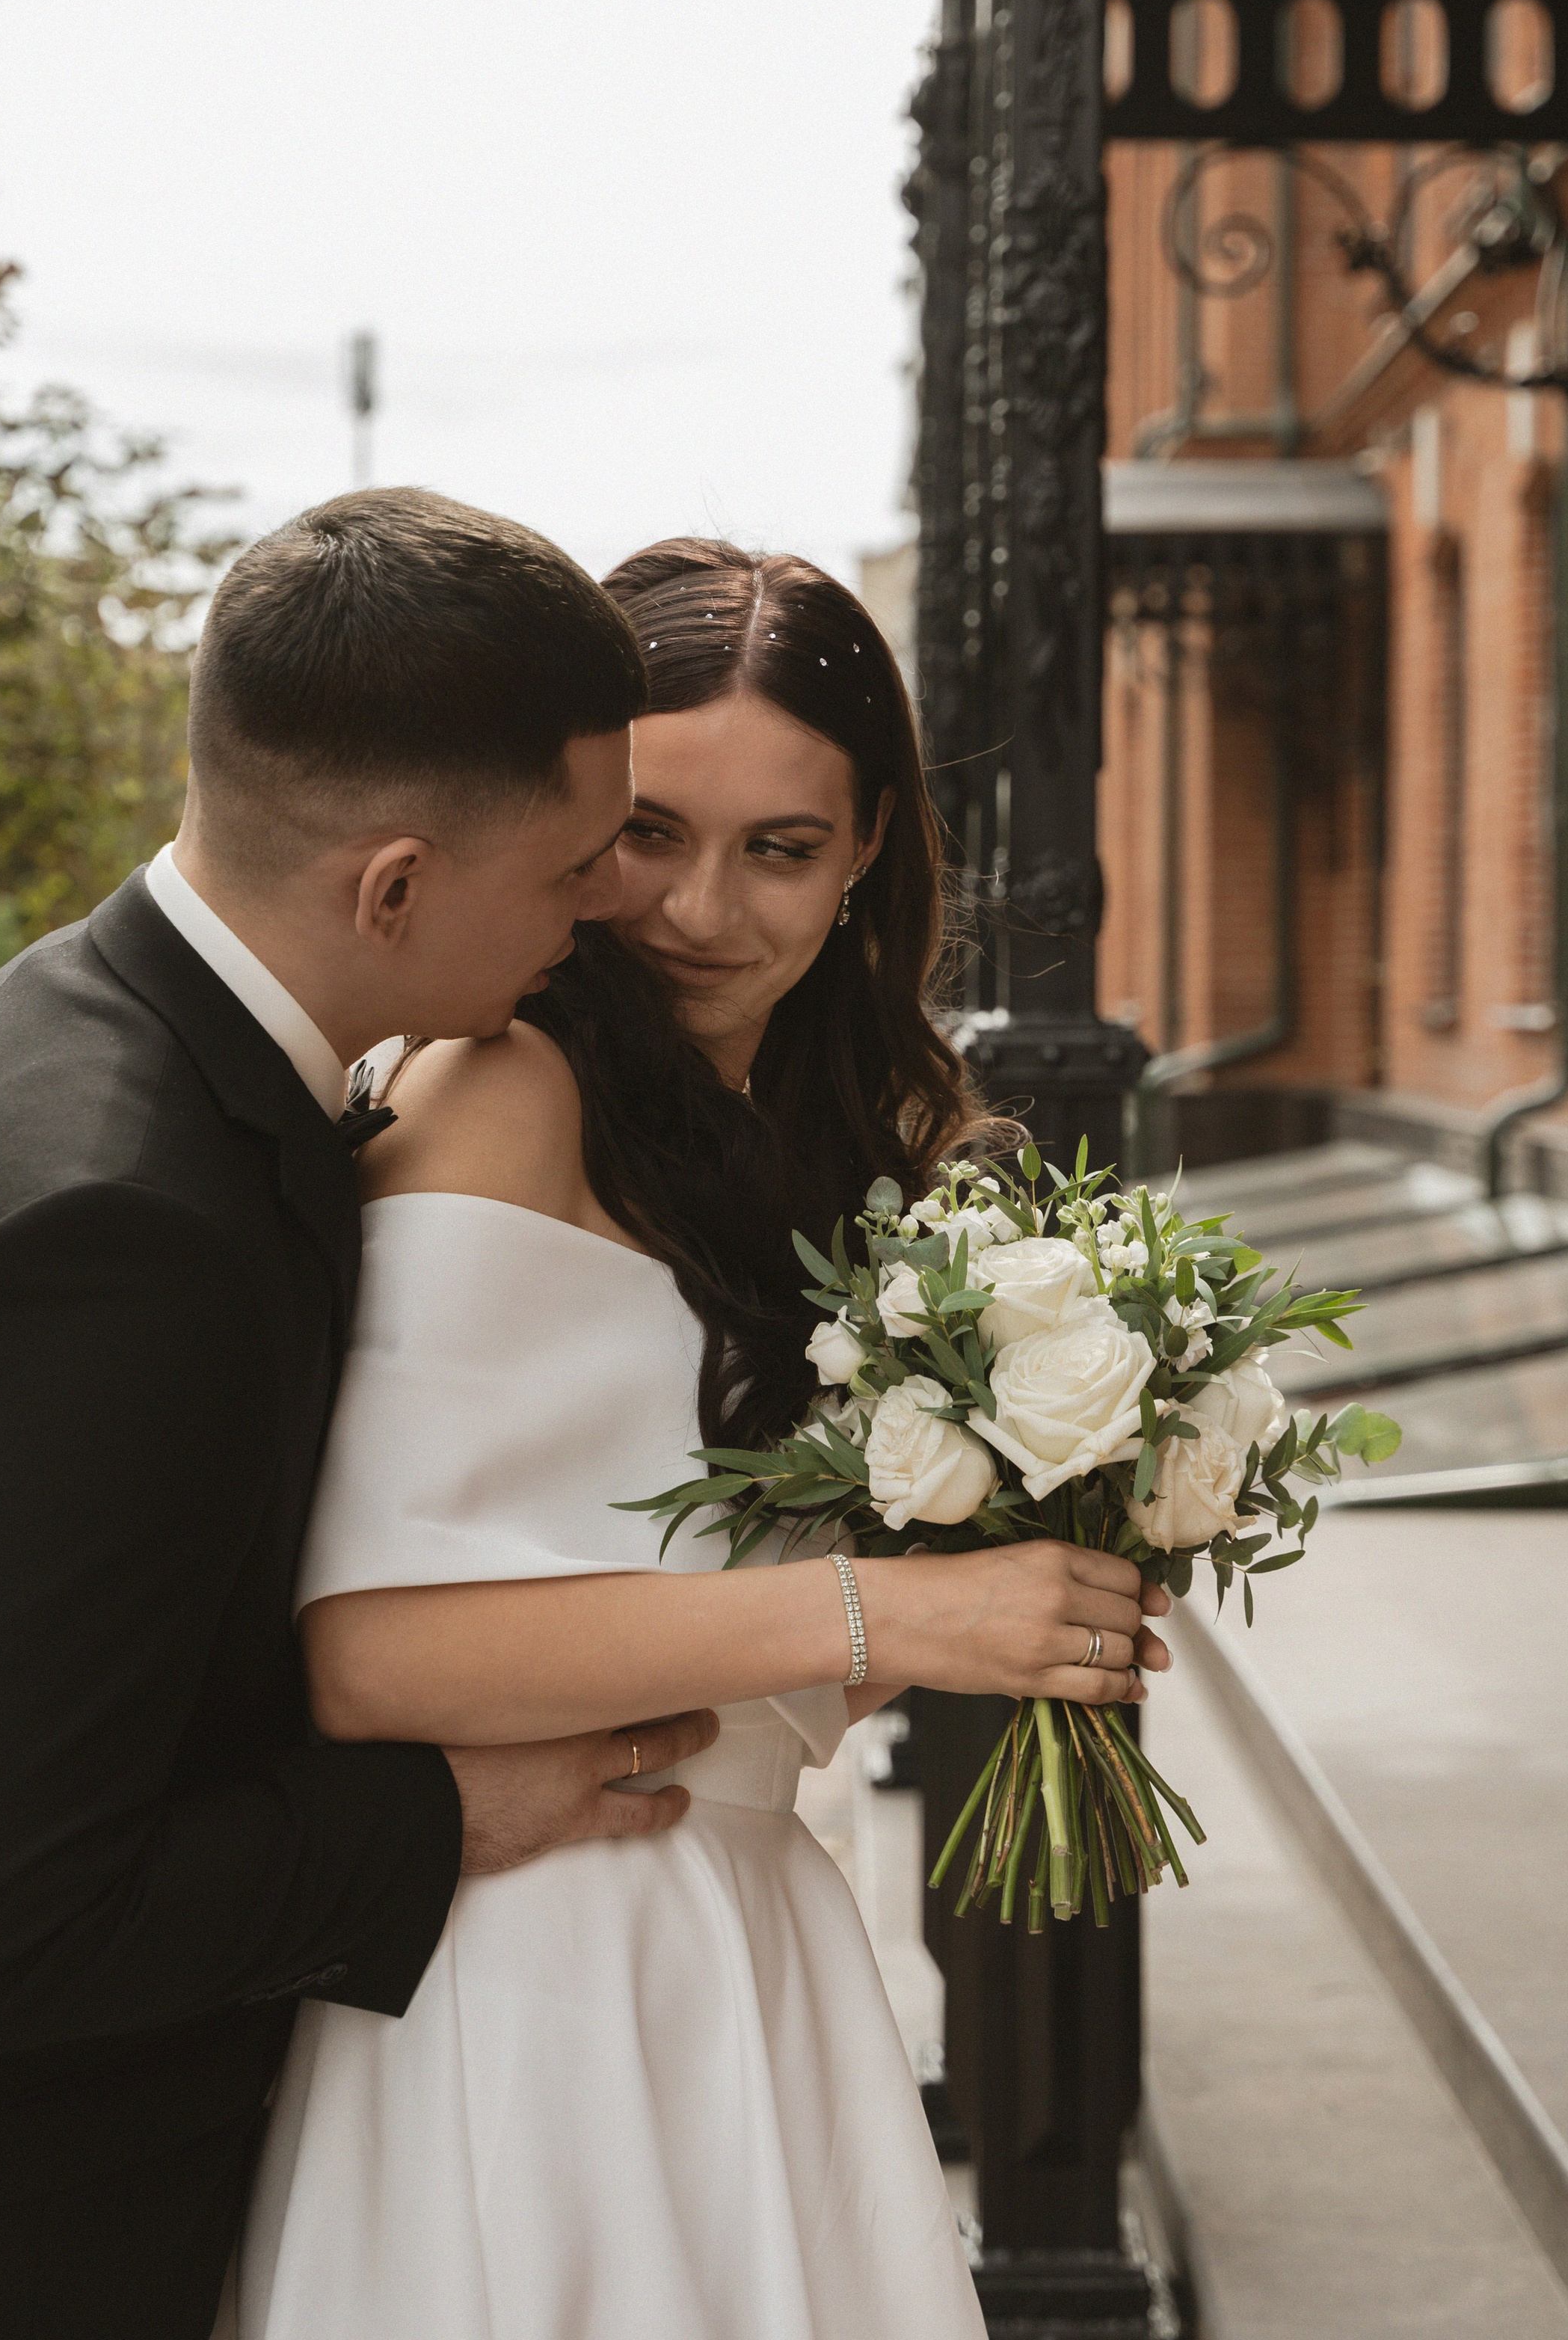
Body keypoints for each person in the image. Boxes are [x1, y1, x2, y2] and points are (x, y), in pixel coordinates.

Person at [237, 538, 1169, 2340]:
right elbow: (370, 1655)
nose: (695, 913)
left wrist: (1050, 1536)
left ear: (872, 847)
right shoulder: (501, 1095)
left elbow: (720, 1638)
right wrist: (898, 1618)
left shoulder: (862, 1131)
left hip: (742, 1940)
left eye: (780, 850)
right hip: (515, 1980)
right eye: (647, 834)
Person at [0, 488, 727, 2340]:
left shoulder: (82, 1021)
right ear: (396, 890)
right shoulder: (118, 1227)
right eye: (577, 864)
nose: (616, 909)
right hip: (29, 2252)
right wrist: (439, 1813)